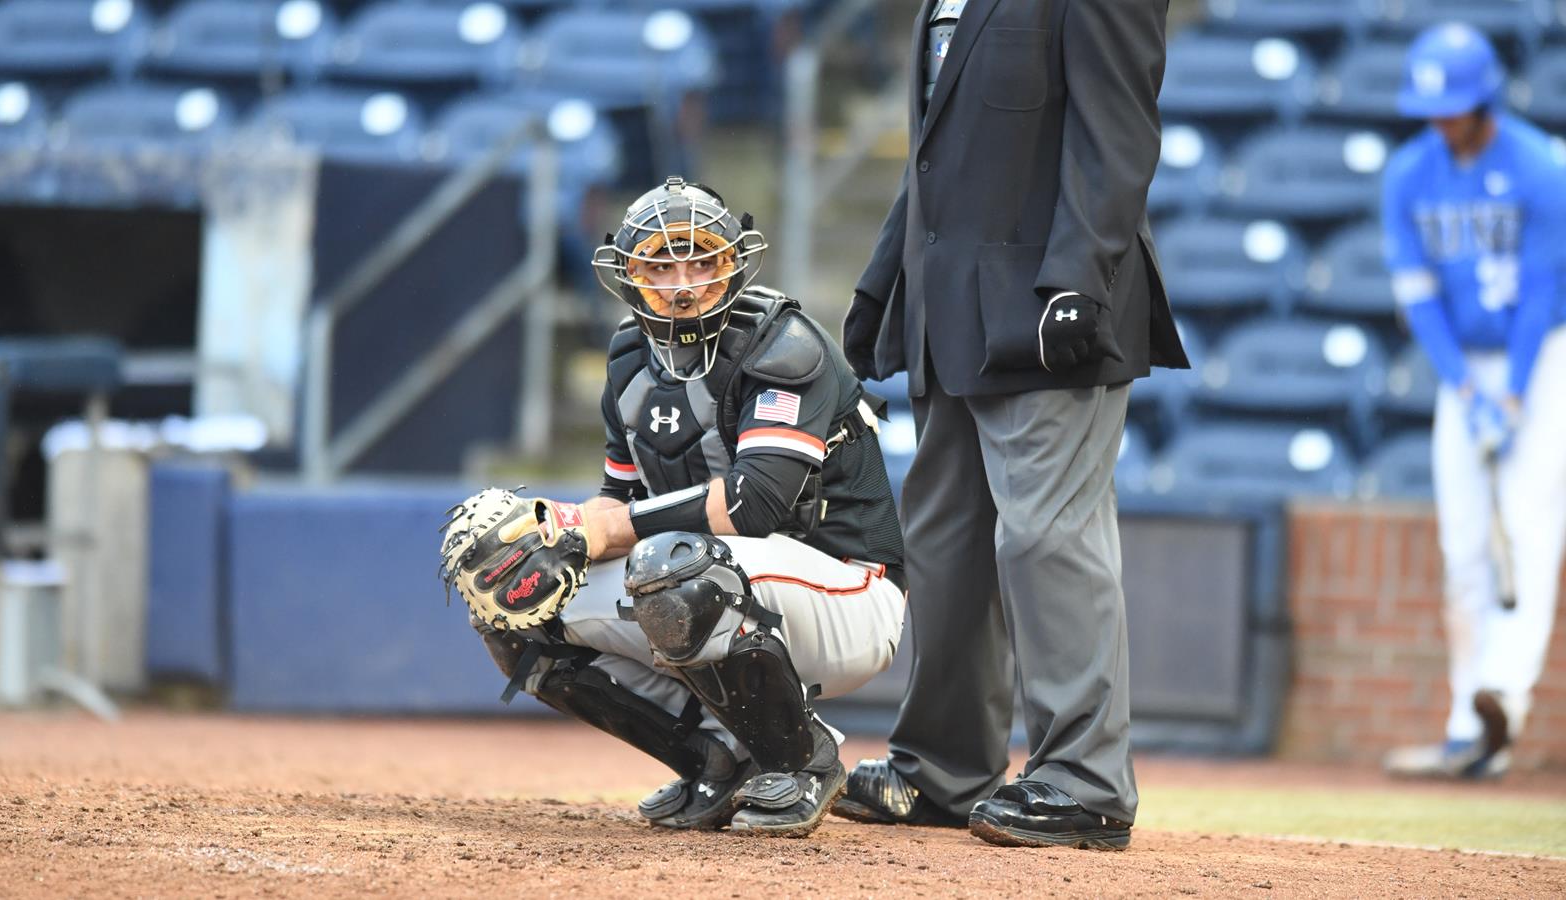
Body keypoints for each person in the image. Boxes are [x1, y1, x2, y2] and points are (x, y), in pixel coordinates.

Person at [441, 177, 907, 836]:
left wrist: (606, 528)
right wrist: (556, 533)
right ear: (629, 276)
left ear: (734, 264)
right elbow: (618, 500)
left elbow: (753, 504)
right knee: (519, 594)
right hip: (714, 572)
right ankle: (718, 759)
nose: (683, 284)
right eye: (660, 265)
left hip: (851, 592)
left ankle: (802, 757)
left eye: (701, 260)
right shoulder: (629, 358)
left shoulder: (783, 344)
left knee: (673, 568)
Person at [833, 0, 1185, 851]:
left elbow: (1118, 134)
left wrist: (1080, 279)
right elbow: (935, 157)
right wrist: (884, 281)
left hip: (1048, 311)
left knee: (1044, 537)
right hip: (949, 310)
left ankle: (1086, 782)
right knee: (945, 542)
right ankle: (944, 768)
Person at [1378, 23, 1566, 780]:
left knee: (1525, 526)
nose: (1440, 119)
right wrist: (1464, 388)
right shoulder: (1407, 175)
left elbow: (1542, 292)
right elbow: (1419, 300)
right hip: (1462, 366)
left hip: (1541, 355)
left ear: (1484, 99)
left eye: (1452, 106)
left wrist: (1513, 395)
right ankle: (1467, 724)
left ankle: (1505, 698)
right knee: (1462, 544)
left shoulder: (1539, 165)